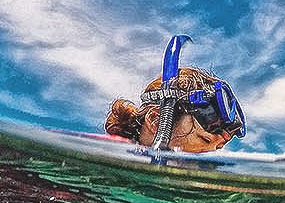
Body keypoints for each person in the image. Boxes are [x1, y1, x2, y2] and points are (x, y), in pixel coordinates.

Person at [105, 35, 245, 153]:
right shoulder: (107, 156)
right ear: (156, 120)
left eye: (218, 148)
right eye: (204, 139)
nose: (210, 155)